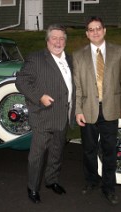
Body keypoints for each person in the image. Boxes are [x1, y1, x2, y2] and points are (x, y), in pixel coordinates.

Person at [73, 16, 121, 205]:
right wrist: (78, 110)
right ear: (87, 34)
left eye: (98, 28)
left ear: (104, 30)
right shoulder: (78, 55)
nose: (95, 32)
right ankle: (91, 181)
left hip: (110, 109)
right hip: (88, 110)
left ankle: (109, 188)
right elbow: (78, 87)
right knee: (88, 150)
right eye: (91, 29)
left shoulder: (118, 51)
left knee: (109, 151)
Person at [15, 24, 75, 204]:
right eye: (54, 38)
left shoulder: (70, 59)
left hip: (63, 116)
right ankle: (32, 187)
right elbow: (21, 81)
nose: (58, 41)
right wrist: (39, 96)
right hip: (43, 115)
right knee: (37, 156)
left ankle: (52, 180)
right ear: (48, 40)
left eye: (62, 38)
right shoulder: (36, 58)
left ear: (65, 40)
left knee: (57, 152)